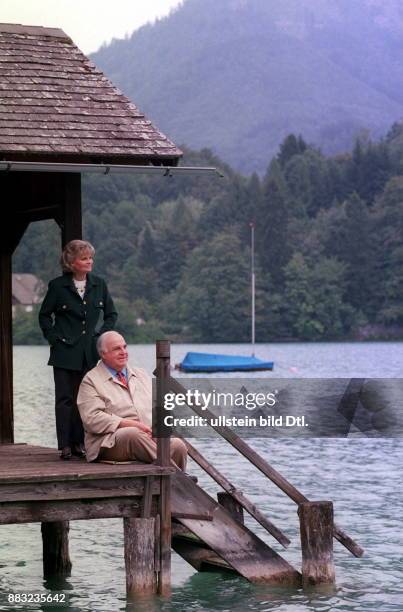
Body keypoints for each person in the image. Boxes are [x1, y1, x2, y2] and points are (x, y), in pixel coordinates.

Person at [39, 240, 118, 460]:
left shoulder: (99, 284)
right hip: (64, 352)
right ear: (72, 262)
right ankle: (65, 445)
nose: (89, 262)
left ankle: (81, 444)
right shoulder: (57, 286)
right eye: (84, 258)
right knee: (64, 399)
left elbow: (111, 315)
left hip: (90, 353)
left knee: (86, 399)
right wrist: (53, 338)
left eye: (90, 258)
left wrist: (100, 335)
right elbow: (44, 316)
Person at [77, 331, 187, 470]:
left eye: (125, 347)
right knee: (133, 434)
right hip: (108, 442)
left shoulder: (141, 374)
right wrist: (130, 424)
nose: (123, 352)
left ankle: (171, 486)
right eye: (117, 349)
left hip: (146, 437)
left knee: (177, 445)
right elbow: (92, 418)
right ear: (103, 354)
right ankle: (181, 480)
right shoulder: (91, 380)